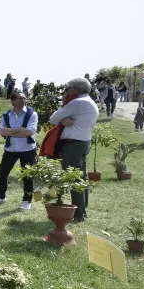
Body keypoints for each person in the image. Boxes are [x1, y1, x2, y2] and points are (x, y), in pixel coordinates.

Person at [49, 78, 99, 222]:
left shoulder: (77, 102)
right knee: (81, 177)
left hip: (73, 145)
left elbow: (53, 119)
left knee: (73, 178)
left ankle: (77, 213)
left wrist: (63, 106)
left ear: (75, 90)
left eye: (68, 89)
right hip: (83, 143)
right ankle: (82, 210)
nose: (66, 92)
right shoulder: (89, 101)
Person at [0, 91, 38, 211]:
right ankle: (1, 197)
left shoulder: (32, 114)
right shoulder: (6, 115)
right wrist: (18, 130)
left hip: (27, 149)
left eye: (25, 98)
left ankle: (27, 200)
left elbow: (28, 132)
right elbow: (1, 131)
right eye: (20, 98)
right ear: (12, 100)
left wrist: (10, 131)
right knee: (2, 173)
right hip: (10, 149)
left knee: (27, 175)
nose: (23, 100)